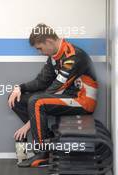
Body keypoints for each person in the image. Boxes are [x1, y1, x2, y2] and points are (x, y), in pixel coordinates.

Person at [8, 23, 98, 167]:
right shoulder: (55, 56)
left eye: (39, 48)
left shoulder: (73, 56)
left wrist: (28, 125)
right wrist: (20, 88)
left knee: (37, 101)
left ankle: (43, 154)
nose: (39, 52)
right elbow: (41, 82)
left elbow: (55, 90)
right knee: (17, 99)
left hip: (82, 101)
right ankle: (48, 139)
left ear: (49, 41)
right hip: (66, 97)